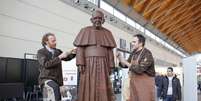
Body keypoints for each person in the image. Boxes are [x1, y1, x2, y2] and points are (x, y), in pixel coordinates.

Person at [73, 10, 116, 101]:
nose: (97, 20)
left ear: (103, 20)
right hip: (89, 63)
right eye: (95, 18)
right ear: (91, 19)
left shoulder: (108, 33)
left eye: (100, 18)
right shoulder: (85, 31)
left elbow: (110, 51)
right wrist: (80, 63)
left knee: (103, 84)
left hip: (103, 63)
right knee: (88, 84)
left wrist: (111, 65)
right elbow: (80, 48)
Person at [37, 33, 76, 101]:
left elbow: (67, 58)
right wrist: (60, 57)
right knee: (54, 88)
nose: (55, 42)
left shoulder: (57, 51)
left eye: (55, 40)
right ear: (46, 42)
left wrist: (73, 53)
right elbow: (46, 64)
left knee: (51, 98)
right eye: (53, 41)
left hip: (57, 81)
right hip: (45, 79)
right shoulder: (41, 52)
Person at [117, 34, 155, 101]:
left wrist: (125, 62)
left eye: (134, 42)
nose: (132, 43)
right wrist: (120, 58)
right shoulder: (133, 53)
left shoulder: (147, 54)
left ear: (141, 43)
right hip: (134, 81)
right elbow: (126, 65)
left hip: (144, 84)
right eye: (132, 42)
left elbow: (139, 69)